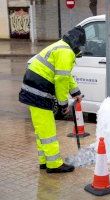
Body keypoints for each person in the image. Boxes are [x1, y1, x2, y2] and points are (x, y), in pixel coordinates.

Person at [19, 26, 86, 173]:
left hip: (34, 89)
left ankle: (45, 161)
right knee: (47, 130)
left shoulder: (61, 47)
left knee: (42, 130)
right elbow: (61, 80)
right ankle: (54, 164)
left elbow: (65, 76)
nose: (80, 50)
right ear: (75, 43)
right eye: (80, 46)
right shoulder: (66, 52)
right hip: (38, 91)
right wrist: (63, 104)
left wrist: (76, 92)